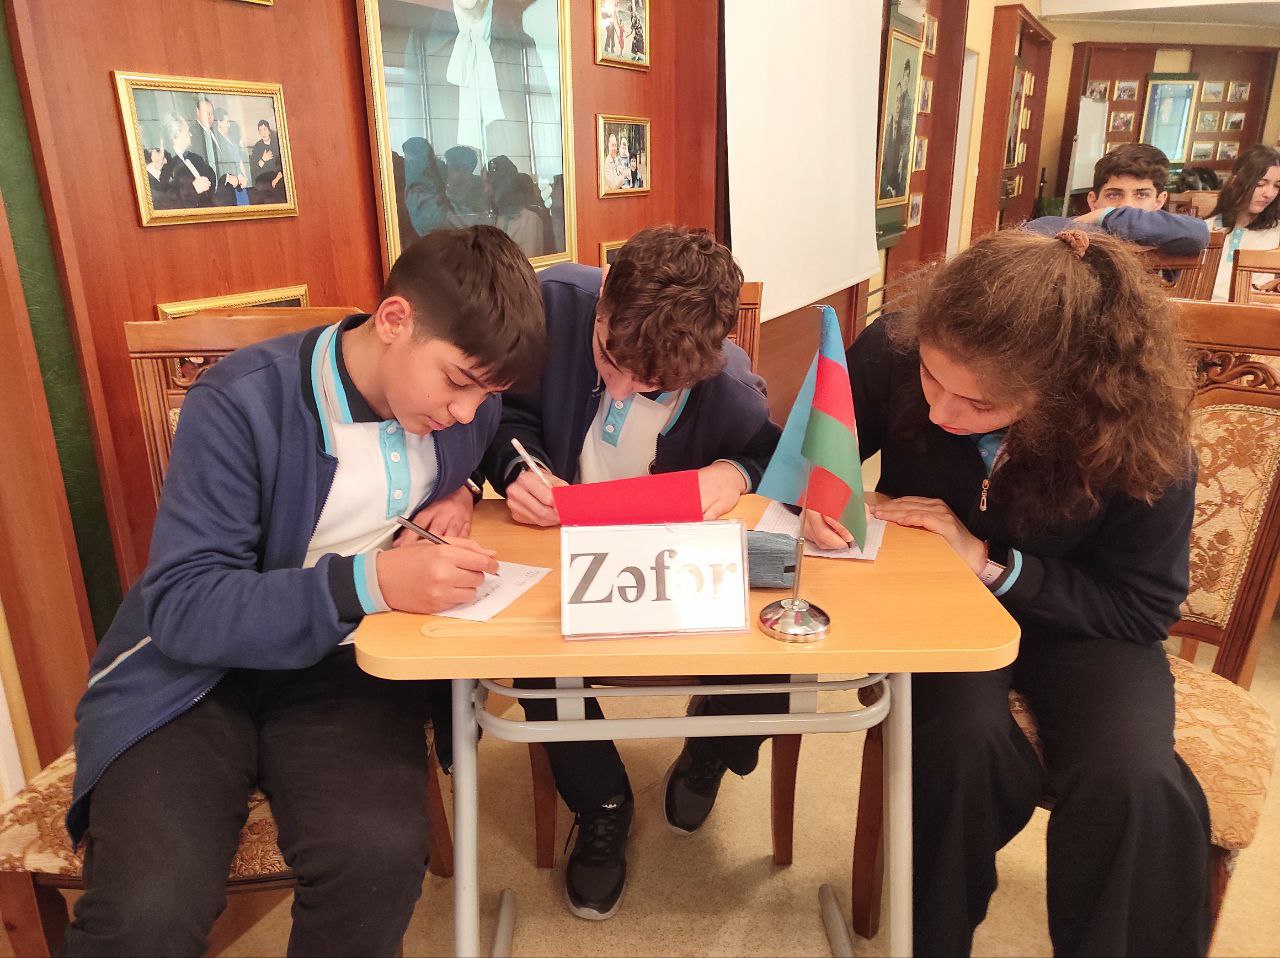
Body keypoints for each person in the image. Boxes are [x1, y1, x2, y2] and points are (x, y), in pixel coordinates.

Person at [64, 226, 548, 957]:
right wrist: (371, 580)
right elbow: (185, 606)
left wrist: (461, 488)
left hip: (342, 667)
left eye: (487, 394)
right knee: (148, 912)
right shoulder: (239, 402)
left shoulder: (460, 413)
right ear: (394, 320)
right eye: (457, 382)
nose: (465, 411)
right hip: (195, 676)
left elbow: (478, 438)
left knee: (377, 863)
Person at [802, 228, 1210, 956]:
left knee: (1132, 782)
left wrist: (989, 563)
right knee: (959, 745)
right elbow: (816, 450)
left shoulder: (1141, 438)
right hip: (940, 609)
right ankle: (935, 942)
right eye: (932, 379)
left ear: (1062, 394)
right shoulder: (897, 346)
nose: (940, 413)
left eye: (979, 404)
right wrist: (818, 492)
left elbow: (1141, 608)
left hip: (1088, 626)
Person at [479, 226, 783, 922]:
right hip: (558, 548)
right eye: (608, 358)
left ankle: (711, 747)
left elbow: (775, 457)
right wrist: (517, 467)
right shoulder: (548, 307)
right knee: (534, 652)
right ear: (603, 306)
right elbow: (498, 411)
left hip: (671, 562)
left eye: (648, 385)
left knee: (782, 644)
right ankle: (602, 801)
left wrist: (734, 473)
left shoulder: (731, 390)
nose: (618, 388)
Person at [1026, 143, 1208, 255]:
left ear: (1159, 201)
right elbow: (1027, 234)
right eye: (1113, 195)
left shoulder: (1171, 233)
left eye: (1141, 195)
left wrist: (1107, 215)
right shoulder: (1073, 226)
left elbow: (1199, 233)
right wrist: (1088, 221)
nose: (1126, 206)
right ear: (1093, 201)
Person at [1205, 143, 1280, 300]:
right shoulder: (1205, 228)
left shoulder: (1276, 233)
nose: (1269, 193)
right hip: (1203, 309)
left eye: (1277, 186)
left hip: (1256, 311)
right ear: (1235, 182)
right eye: (1260, 183)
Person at [485, 155, 544, 257]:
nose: (485, 190)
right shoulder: (493, 217)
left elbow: (529, 261)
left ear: (501, 185)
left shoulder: (529, 221)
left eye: (488, 183)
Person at [159, 113, 216, 208]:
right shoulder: (167, 167)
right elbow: (169, 201)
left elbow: (211, 176)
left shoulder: (196, 158)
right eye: (187, 131)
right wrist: (193, 190)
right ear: (175, 136)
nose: (191, 134)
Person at [249, 119, 286, 203]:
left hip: (279, 176)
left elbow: (283, 164)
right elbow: (254, 169)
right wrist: (263, 159)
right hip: (263, 180)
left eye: (264, 129)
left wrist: (277, 178)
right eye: (260, 130)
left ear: (269, 131)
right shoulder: (257, 147)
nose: (263, 133)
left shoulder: (277, 144)